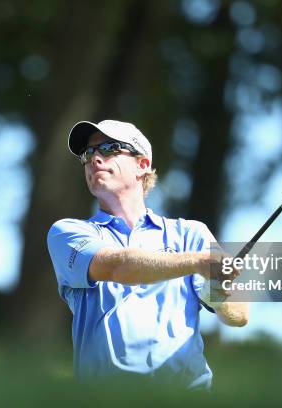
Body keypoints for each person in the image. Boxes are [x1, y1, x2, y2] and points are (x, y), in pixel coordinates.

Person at [47, 119, 249, 389]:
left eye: (108, 148)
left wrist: (219, 290)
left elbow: (238, 315)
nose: (94, 158)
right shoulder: (68, 233)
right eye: (88, 154)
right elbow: (119, 267)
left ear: (142, 165)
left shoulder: (190, 233)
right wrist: (198, 262)